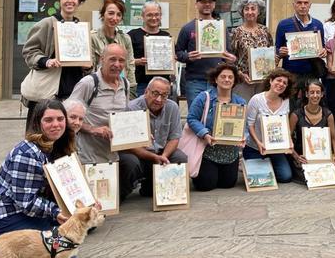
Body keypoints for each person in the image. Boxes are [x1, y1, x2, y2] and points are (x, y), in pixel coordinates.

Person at [0, 99, 75, 237]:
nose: (56, 124)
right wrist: (56, 212)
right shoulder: (27, 153)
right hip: (6, 215)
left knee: (75, 232)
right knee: (56, 242)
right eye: (48, 120)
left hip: (32, 211)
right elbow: (25, 202)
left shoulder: (60, 146)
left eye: (60, 119)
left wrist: (87, 203)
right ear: (38, 123)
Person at [69, 44, 141, 201]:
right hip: (88, 152)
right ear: (102, 60)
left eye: (121, 60)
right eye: (112, 59)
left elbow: (124, 118)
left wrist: (140, 134)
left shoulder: (125, 84)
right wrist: (93, 129)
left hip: (112, 152)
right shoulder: (88, 83)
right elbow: (68, 116)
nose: (117, 64)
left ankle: (114, 198)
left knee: (132, 165)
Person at [21, 0, 87, 119]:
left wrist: (88, 65)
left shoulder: (81, 27)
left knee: (68, 136)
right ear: (59, 1)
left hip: (73, 91)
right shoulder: (46, 24)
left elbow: (86, 59)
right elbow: (29, 51)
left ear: (79, 2)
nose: (70, 1)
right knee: (41, 134)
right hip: (48, 91)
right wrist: (46, 61)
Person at [186, 63, 247, 191]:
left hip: (230, 153)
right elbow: (192, 118)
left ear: (234, 81)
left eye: (230, 77)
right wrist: (204, 134)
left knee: (228, 184)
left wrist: (243, 137)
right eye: (223, 76)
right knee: (206, 185)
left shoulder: (240, 102)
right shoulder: (204, 97)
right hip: (208, 150)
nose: (227, 80)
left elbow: (244, 126)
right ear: (215, 79)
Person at [123, 77, 188, 197]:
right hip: (139, 153)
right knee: (129, 162)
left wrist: (164, 156)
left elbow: (174, 138)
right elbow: (131, 145)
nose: (159, 99)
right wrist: (153, 157)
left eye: (164, 95)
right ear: (146, 91)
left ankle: (157, 189)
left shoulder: (172, 107)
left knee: (180, 157)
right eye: (155, 93)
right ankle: (124, 190)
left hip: (161, 152)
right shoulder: (132, 108)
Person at [175, 0, 237, 107]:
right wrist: (188, 57)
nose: (207, 5)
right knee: (195, 114)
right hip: (195, 80)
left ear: (214, 5)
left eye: (210, 2)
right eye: (203, 2)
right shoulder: (187, 28)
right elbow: (178, 52)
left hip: (217, 80)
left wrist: (231, 59)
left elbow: (229, 52)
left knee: (215, 115)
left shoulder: (221, 28)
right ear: (196, 4)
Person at [245, 68, 295, 183]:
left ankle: (268, 165)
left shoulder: (286, 100)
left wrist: (289, 142)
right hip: (255, 148)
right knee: (257, 180)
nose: (281, 84)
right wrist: (259, 143)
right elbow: (250, 124)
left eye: (284, 83)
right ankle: (258, 165)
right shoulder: (256, 99)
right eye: (278, 80)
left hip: (275, 148)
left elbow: (284, 124)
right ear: (271, 81)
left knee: (285, 176)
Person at [274, 0, 327, 98]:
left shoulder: (318, 24)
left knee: (311, 102)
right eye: (299, 3)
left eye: (306, 3)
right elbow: (276, 49)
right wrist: (280, 52)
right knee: (290, 103)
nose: (303, 6)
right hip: (291, 73)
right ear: (294, 5)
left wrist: (323, 51)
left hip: (312, 72)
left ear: (310, 5)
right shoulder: (283, 24)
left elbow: (322, 46)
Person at [289, 79, 335, 181]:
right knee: (310, 178)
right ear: (307, 94)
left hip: (323, 156)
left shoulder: (328, 114)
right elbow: (288, 139)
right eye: (312, 92)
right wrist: (296, 156)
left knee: (332, 176)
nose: (315, 95)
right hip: (303, 157)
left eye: (318, 92)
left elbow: (334, 138)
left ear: (322, 94)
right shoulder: (296, 115)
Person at [90, 0, 136, 97]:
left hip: (121, 88)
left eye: (118, 15)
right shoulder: (92, 37)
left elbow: (130, 66)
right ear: (103, 14)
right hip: (99, 89)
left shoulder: (125, 39)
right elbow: (90, 69)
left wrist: (131, 91)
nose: (114, 18)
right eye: (111, 13)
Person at [229, 0, 274, 99]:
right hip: (243, 81)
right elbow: (231, 58)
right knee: (244, 109)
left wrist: (270, 71)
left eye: (253, 9)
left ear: (258, 12)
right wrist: (240, 74)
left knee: (261, 110)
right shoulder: (237, 32)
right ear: (242, 12)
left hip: (263, 80)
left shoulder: (265, 31)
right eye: (246, 9)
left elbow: (271, 53)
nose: (250, 12)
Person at [127, 1, 171, 98]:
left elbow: (172, 59)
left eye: (157, 14)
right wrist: (137, 61)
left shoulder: (166, 36)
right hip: (141, 84)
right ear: (143, 16)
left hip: (162, 84)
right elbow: (124, 60)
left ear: (161, 16)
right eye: (149, 15)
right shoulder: (132, 35)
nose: (154, 18)